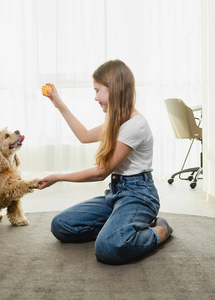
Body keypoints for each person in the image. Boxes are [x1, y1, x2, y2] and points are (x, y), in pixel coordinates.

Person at [38, 59, 173, 265]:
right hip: (116, 194)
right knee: (61, 225)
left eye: (97, 90)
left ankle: (159, 230)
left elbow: (101, 172)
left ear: (114, 89)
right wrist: (59, 104)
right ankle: (121, 226)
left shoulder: (135, 126)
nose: (95, 97)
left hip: (139, 196)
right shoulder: (116, 121)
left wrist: (58, 177)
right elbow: (83, 135)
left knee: (107, 248)